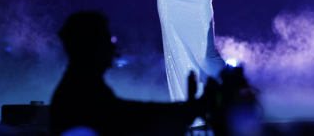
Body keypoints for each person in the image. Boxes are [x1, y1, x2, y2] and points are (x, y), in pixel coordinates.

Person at [49, 11, 214, 136]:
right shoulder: (83, 93)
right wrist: (187, 109)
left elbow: (129, 113)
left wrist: (185, 108)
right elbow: (128, 117)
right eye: (109, 40)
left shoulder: (79, 88)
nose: (114, 47)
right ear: (91, 46)